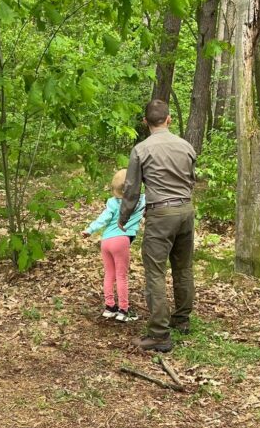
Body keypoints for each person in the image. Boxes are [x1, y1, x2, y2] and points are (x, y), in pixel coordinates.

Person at [119, 99, 197, 352]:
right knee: (183, 267)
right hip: (186, 210)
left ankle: (159, 334)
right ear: (169, 119)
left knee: (155, 272)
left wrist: (123, 217)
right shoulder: (186, 147)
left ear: (145, 122)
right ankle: (182, 319)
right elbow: (191, 179)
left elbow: (131, 189)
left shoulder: (141, 150)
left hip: (161, 214)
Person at [84, 168, 145, 322]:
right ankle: (124, 310)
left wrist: (89, 230)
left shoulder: (112, 203)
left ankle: (110, 307)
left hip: (106, 241)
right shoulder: (141, 201)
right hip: (121, 240)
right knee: (121, 276)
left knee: (109, 274)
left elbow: (102, 219)